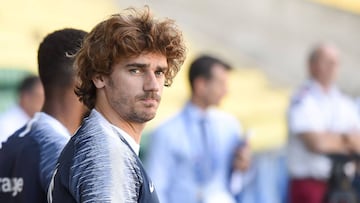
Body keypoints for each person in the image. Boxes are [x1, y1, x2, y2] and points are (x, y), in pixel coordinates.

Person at [48, 7, 186, 203]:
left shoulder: (100, 142)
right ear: (99, 76)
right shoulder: (107, 154)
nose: (153, 86)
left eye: (159, 72)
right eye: (136, 70)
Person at [145, 55, 250, 203]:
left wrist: (241, 168)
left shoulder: (230, 126)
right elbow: (157, 187)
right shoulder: (166, 132)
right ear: (201, 85)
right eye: (221, 84)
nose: (226, 91)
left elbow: (236, 183)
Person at [0, 28, 87, 203]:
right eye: (99, 74)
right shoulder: (69, 160)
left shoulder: (11, 146)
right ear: (81, 80)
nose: (104, 83)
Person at [287, 43, 360, 203]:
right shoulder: (303, 99)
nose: (332, 67)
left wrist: (333, 139)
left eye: (335, 62)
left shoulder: (344, 101)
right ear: (312, 65)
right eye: (327, 61)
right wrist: (347, 139)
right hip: (310, 185)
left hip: (343, 185)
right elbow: (317, 143)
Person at [0, 75, 44, 142]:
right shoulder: (6, 125)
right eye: (40, 97)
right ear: (26, 97)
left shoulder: (39, 122)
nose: (44, 102)